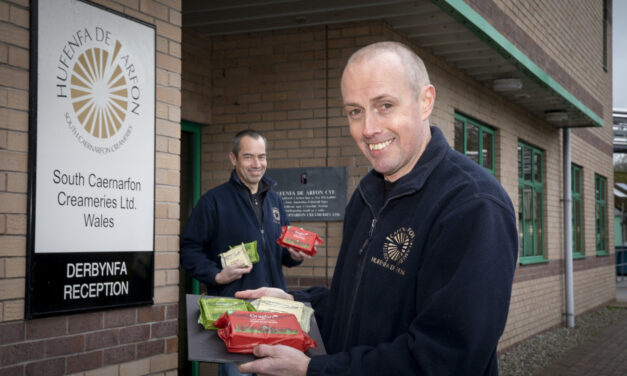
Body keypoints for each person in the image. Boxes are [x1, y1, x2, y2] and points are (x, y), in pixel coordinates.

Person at [235, 41, 518, 375]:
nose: (368, 128)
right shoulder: (368, 195)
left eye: (384, 105)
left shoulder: (473, 205)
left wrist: (315, 371)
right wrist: (296, 304)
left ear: (425, 101)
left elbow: (445, 359)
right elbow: (355, 307)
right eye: (355, 111)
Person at [180, 129, 308, 376]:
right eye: (248, 157)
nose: (257, 164)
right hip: (235, 315)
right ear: (233, 158)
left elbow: (280, 252)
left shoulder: (276, 202)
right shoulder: (213, 202)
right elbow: (189, 250)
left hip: (274, 314)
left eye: (262, 157)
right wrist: (217, 275)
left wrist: (293, 255)